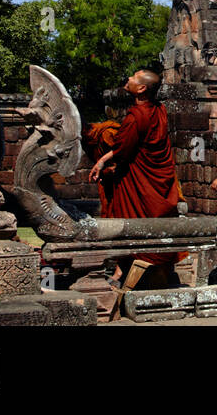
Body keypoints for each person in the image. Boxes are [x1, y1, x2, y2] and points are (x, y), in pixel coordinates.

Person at [87, 70, 181, 286]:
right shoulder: (160, 110)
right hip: (156, 179)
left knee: (131, 224)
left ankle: (131, 271)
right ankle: (139, 270)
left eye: (134, 78)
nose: (128, 78)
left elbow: (123, 149)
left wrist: (102, 160)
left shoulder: (137, 116)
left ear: (141, 89)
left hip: (140, 182)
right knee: (155, 225)